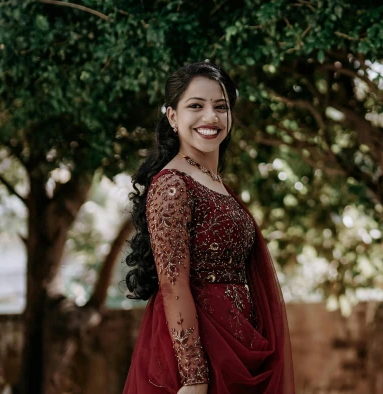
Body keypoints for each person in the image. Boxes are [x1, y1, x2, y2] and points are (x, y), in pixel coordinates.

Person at [123, 62, 294, 394]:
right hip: (200, 351)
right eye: (196, 106)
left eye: (220, 107)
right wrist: (194, 375)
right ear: (173, 117)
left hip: (240, 344)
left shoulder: (216, 183)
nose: (210, 117)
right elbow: (173, 285)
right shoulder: (173, 185)